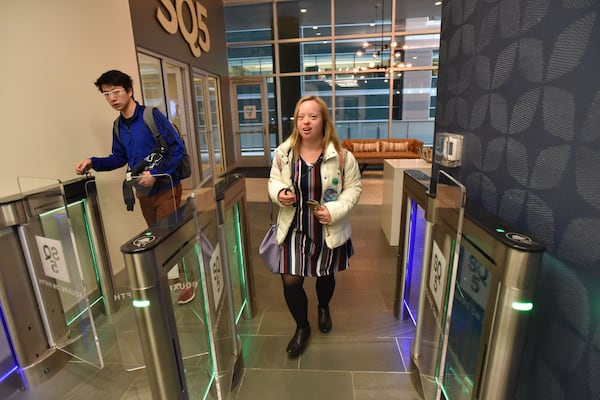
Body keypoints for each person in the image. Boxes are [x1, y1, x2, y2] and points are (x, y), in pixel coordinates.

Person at [75, 69, 195, 305]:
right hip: (143, 192)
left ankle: (187, 282)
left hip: (167, 187)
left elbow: (177, 148)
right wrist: (92, 162)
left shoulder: (151, 116)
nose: (111, 98)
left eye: (116, 91)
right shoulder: (118, 126)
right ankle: (170, 280)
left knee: (171, 236)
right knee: (157, 238)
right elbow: (118, 158)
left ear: (129, 91)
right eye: (106, 94)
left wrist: (156, 172)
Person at [268, 95, 362, 356]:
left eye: (312, 116)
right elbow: (273, 181)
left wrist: (333, 210)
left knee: (325, 274)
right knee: (290, 280)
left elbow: (354, 188)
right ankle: (302, 326)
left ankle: (323, 306)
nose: (305, 122)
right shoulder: (284, 154)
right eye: (300, 117)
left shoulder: (342, 157)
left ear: (323, 121)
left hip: (326, 228)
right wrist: (279, 194)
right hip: (294, 227)